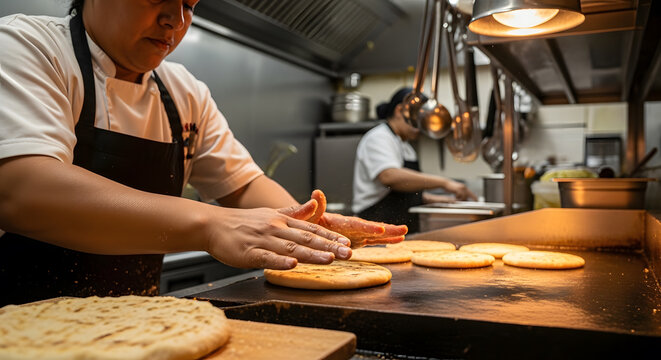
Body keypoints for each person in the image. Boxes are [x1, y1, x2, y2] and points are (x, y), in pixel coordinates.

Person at [0, 0, 407, 306]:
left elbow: (243, 185)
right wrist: (211, 224)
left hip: (134, 328)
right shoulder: (28, 47)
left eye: (189, 5)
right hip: (23, 326)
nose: (175, 20)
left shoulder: (183, 92)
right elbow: (24, 189)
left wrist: (308, 227)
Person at [352, 87, 478, 233]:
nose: (420, 128)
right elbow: (389, 177)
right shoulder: (379, 137)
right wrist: (445, 183)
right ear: (400, 111)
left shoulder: (405, 145)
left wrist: (436, 200)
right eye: (417, 120)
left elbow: (403, 195)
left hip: (397, 226)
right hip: (375, 226)